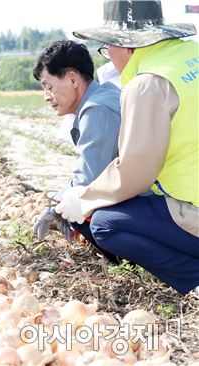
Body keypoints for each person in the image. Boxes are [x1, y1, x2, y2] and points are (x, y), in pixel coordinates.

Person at [56, 0, 199, 294]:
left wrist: (84, 198)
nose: (109, 57)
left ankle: (195, 279)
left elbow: (135, 171)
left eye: (107, 48)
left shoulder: (148, 83)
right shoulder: (192, 56)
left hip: (193, 208)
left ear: (126, 46)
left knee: (107, 224)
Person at [31, 40, 121, 260]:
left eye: (48, 86)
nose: (46, 96)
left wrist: (55, 207)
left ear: (72, 78)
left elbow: (87, 180)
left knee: (85, 214)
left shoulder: (96, 109)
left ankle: (133, 262)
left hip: (148, 199)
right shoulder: (106, 93)